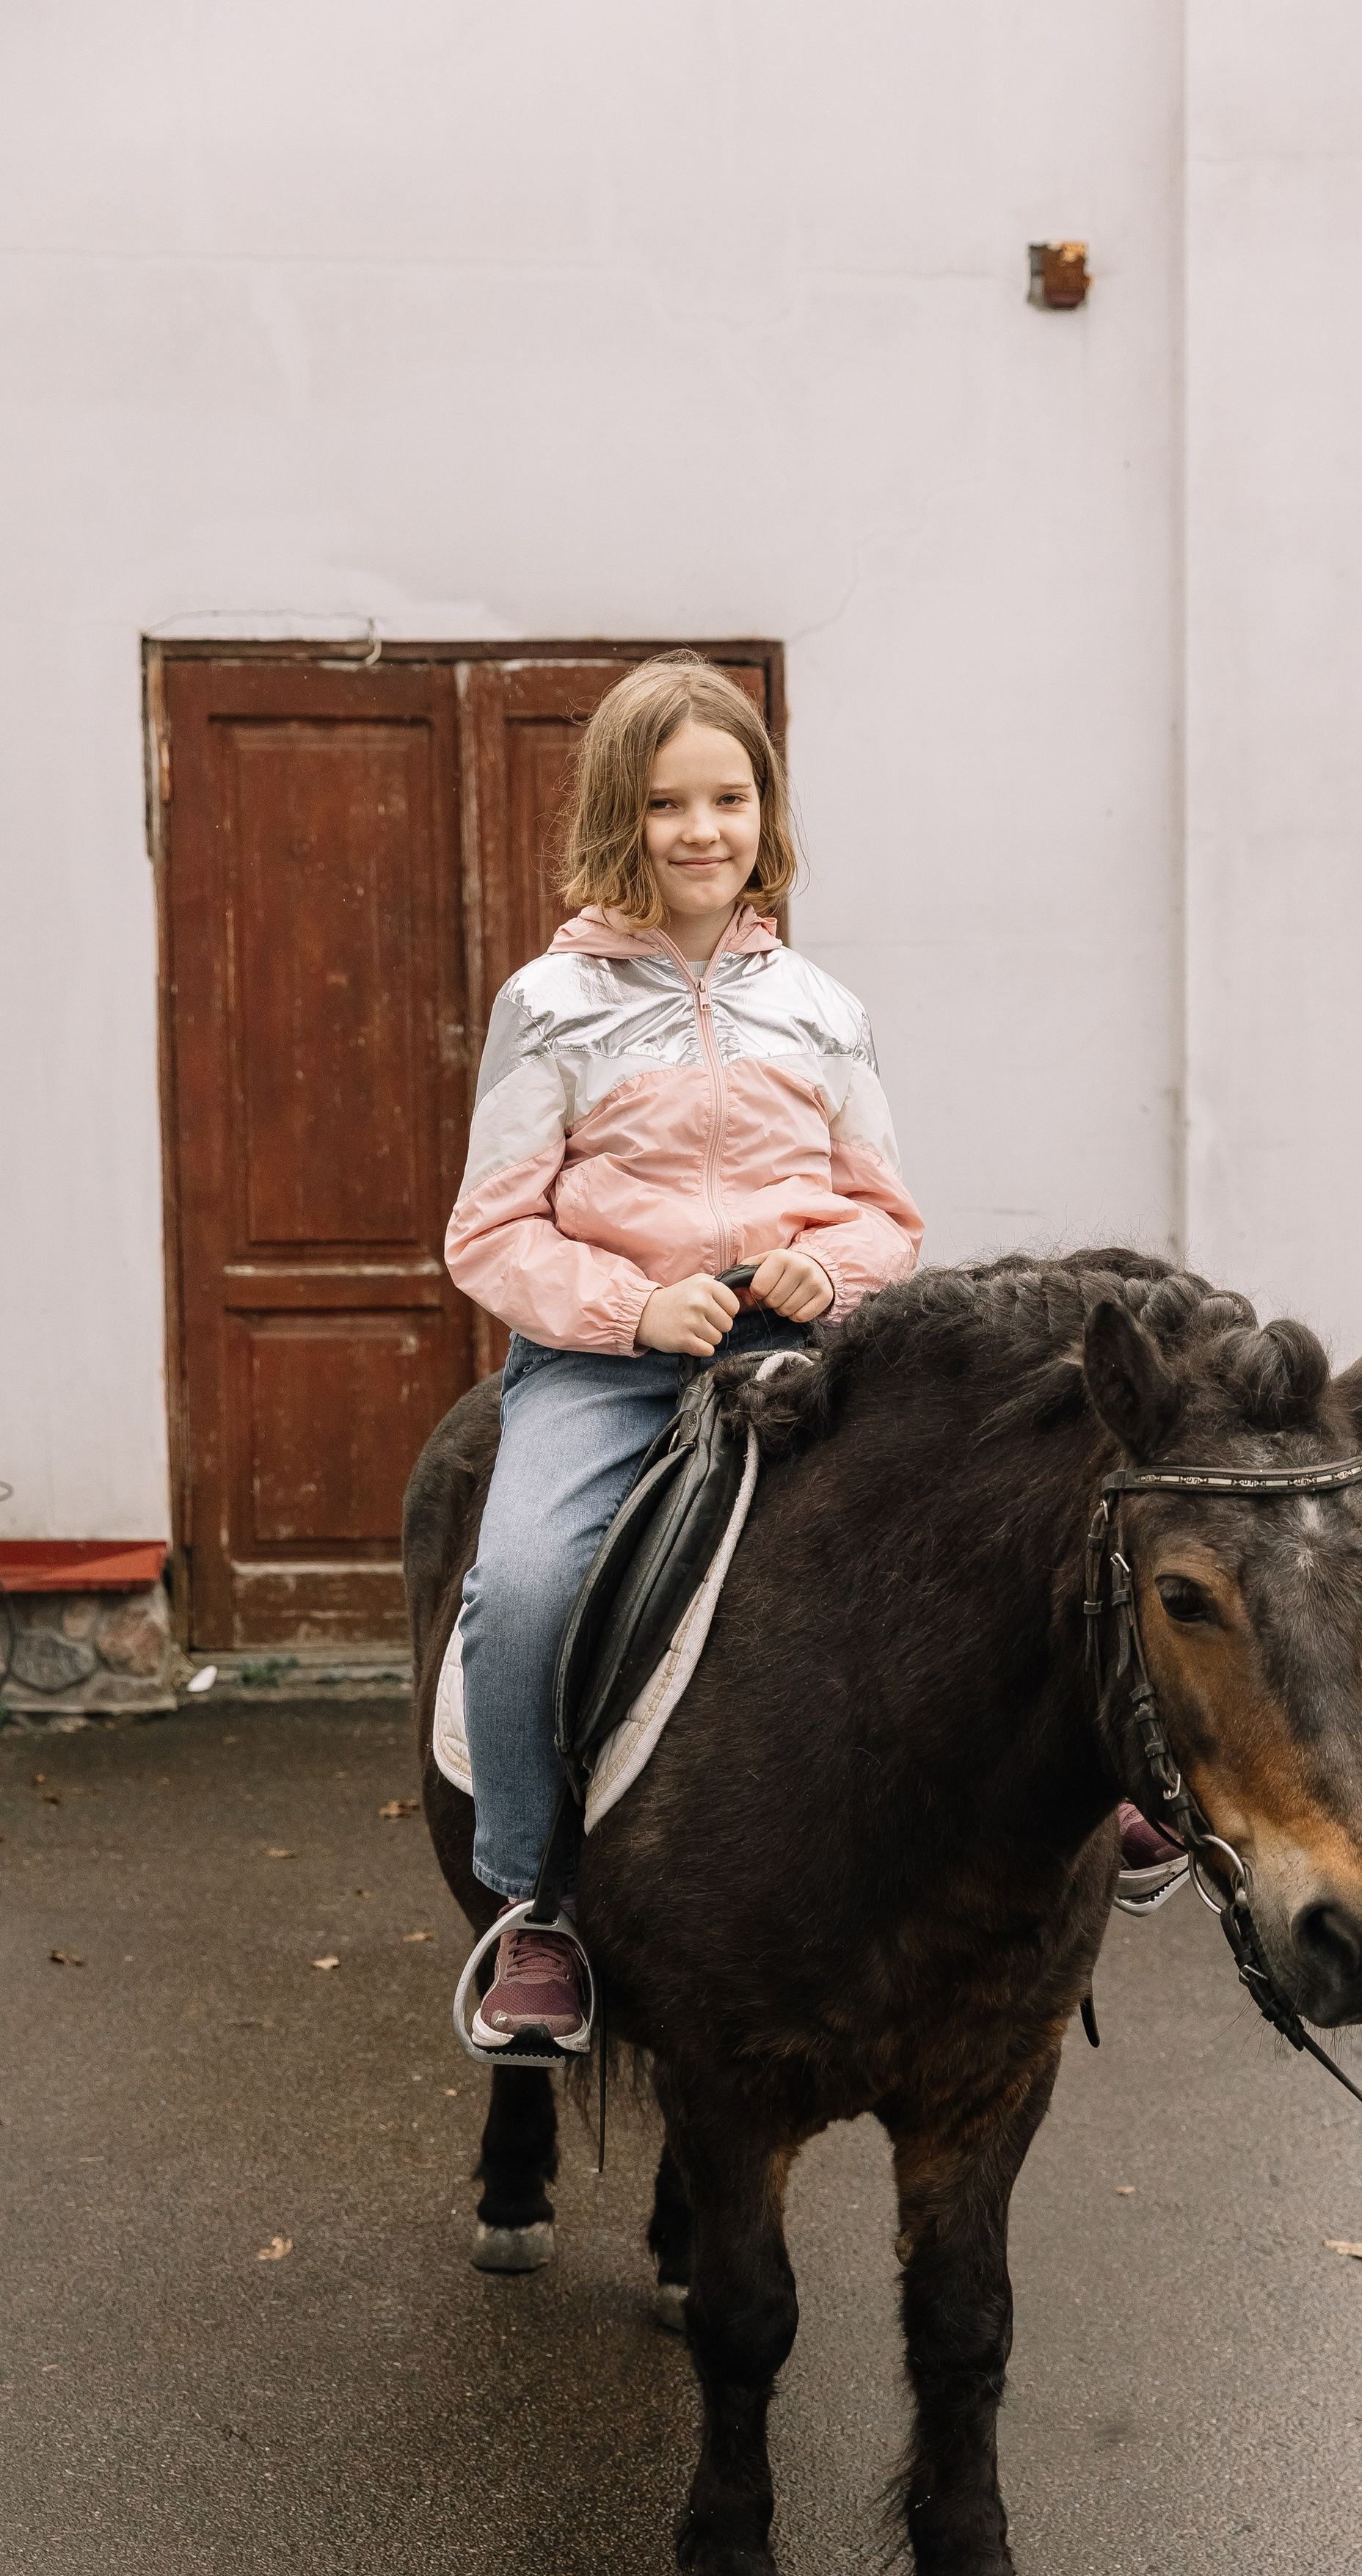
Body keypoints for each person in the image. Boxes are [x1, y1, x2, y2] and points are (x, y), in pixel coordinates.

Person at [443, 652, 923, 2051]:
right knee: (524, 1581)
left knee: (966, 1516)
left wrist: (824, 1264)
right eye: (667, 804)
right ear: (620, 818)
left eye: (729, 798)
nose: (702, 831)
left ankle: (1110, 1794)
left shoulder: (825, 1010)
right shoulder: (550, 1003)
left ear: (766, 815)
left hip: (799, 1345)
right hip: (608, 1359)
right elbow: (489, 1233)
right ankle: (536, 1912)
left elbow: (888, 1212)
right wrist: (631, 1311)